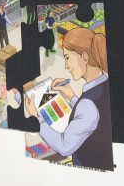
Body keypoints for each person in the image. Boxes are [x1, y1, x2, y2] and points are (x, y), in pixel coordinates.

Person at [23, 28, 112, 171]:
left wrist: (37, 119)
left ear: (84, 57)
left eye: (67, 58)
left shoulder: (87, 105)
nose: (66, 66)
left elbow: (64, 146)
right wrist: (71, 97)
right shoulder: (105, 85)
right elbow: (94, 117)